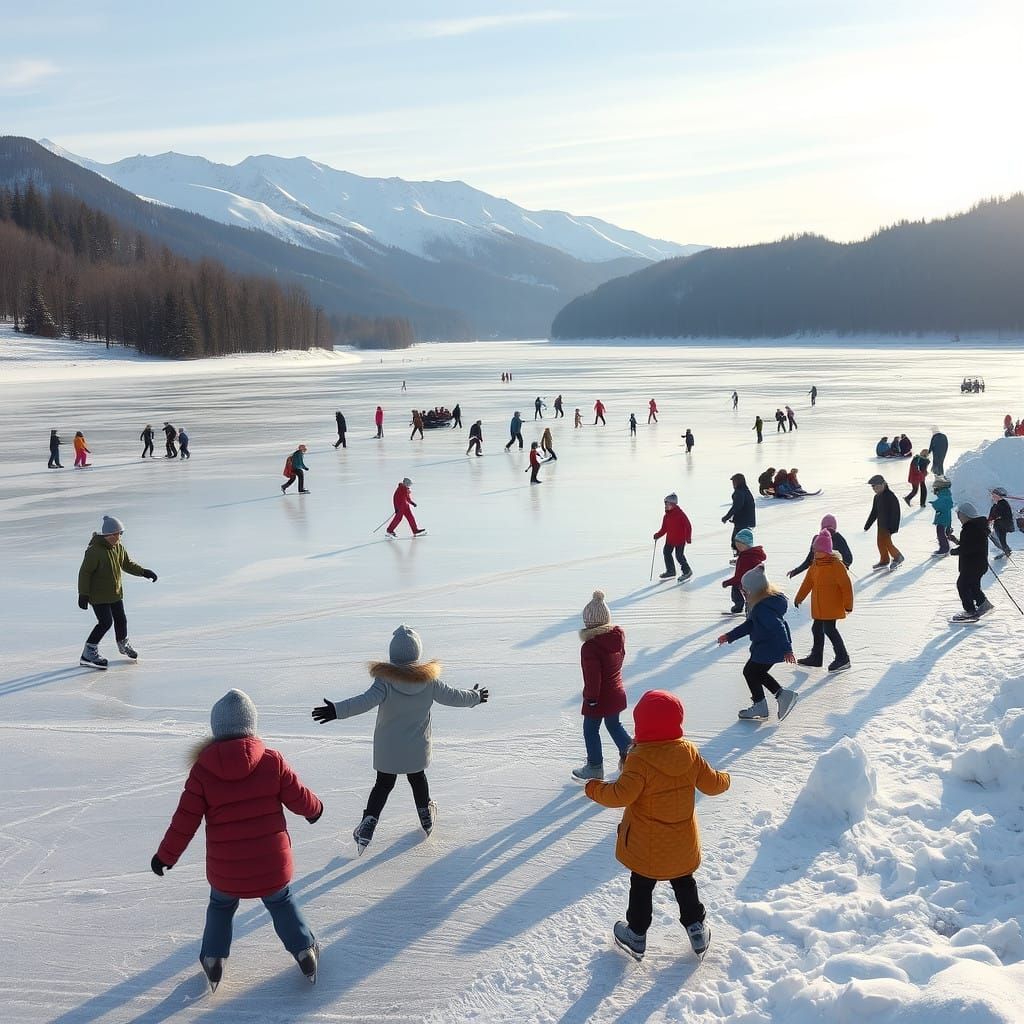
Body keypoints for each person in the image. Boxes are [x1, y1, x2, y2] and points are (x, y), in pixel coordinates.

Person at [152, 689, 323, 990]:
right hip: (272, 865)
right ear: (251, 727)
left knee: (221, 907)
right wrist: (314, 809)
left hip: (227, 870)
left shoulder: (203, 771)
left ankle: (214, 960)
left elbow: (184, 821)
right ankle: (304, 950)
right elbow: (298, 796)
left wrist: (165, 856)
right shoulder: (272, 762)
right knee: (281, 902)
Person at [311, 626, 487, 851]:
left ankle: (368, 823)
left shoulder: (385, 682)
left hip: (388, 750)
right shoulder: (430, 681)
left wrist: (337, 710)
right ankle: (426, 816)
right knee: (417, 779)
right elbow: (454, 696)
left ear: (393, 654)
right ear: (417, 653)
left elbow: (364, 701)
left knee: (383, 784)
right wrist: (475, 697)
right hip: (416, 749)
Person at [583, 689, 729, 962]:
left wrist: (593, 788)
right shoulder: (689, 752)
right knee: (684, 882)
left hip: (646, 845)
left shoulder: (639, 758)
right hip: (681, 842)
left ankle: (636, 934)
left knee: (641, 885)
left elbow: (620, 795)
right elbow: (712, 783)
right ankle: (696, 928)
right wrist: (726, 779)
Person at [716, 564, 798, 720]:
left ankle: (766, 703)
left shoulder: (762, 609)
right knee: (756, 672)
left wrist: (787, 649)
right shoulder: (762, 603)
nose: (743, 594)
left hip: (770, 647)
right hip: (767, 646)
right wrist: (730, 636)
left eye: (745, 591)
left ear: (754, 592)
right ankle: (779, 697)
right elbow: (750, 625)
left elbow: (778, 627)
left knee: (751, 672)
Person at [77, 514, 157, 669]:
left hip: (115, 593)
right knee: (105, 622)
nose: (120, 536)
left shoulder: (118, 547)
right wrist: (83, 594)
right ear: (110, 535)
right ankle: (88, 652)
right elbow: (84, 573)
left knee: (121, 619)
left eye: (121, 533)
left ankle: (123, 644)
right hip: (98, 595)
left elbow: (127, 564)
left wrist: (144, 572)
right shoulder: (95, 551)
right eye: (119, 534)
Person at [571, 590, 631, 781]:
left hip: (600, 697)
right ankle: (634, 759)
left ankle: (595, 767)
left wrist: (591, 699)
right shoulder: (617, 637)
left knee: (590, 729)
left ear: (588, 622)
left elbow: (593, 677)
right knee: (614, 724)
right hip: (617, 692)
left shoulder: (590, 647)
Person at [793, 530, 853, 671]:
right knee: (817, 628)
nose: (814, 552)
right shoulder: (816, 565)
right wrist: (799, 597)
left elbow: (846, 586)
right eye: (814, 550)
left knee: (829, 629)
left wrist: (848, 605)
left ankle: (843, 658)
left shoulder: (836, 565)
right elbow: (807, 583)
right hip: (819, 607)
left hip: (831, 606)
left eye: (817, 550)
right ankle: (816, 657)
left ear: (825, 551)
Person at [950, 503, 994, 621]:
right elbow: (969, 544)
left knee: (963, 585)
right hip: (978, 564)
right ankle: (984, 605)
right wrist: (955, 540)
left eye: (959, 514)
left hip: (973, 565)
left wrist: (955, 551)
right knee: (973, 586)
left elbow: (969, 548)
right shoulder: (976, 527)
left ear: (965, 515)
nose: (958, 517)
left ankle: (970, 611)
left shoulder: (971, 529)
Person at [788, 514, 853, 576]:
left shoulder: (817, 539)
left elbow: (809, 560)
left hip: (819, 575)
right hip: (835, 577)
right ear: (834, 526)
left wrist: (796, 571)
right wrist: (842, 567)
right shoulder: (838, 538)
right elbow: (849, 559)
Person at [864, 474, 903, 570]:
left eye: (876, 487)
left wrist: (893, 527)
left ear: (883, 485)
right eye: (873, 487)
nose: (874, 489)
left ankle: (898, 556)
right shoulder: (877, 497)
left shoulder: (890, 496)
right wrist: (867, 525)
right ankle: (884, 560)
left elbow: (896, 512)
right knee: (880, 543)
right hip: (880, 525)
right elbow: (874, 512)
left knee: (887, 542)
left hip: (888, 525)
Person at [721, 528, 765, 613]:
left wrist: (728, 582)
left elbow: (740, 576)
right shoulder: (750, 553)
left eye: (740, 544)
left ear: (747, 544)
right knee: (740, 589)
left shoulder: (746, 557)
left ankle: (741, 606)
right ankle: (744, 606)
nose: (737, 546)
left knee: (737, 587)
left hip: (749, 583)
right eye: (737, 543)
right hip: (753, 581)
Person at [653, 493, 693, 582]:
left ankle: (687, 571)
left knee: (679, 556)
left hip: (680, 540)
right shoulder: (666, 516)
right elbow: (664, 529)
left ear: (673, 505)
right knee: (666, 552)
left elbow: (688, 526)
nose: (666, 506)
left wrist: (688, 538)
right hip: (670, 539)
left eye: (667, 504)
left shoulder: (680, 515)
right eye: (665, 504)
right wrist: (658, 535)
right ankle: (671, 571)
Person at [722, 472, 756, 554]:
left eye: (734, 481)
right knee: (742, 540)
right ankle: (742, 557)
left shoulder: (740, 492)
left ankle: (742, 558)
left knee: (738, 541)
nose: (733, 483)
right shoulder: (746, 490)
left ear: (738, 481)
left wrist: (726, 517)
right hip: (747, 520)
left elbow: (737, 506)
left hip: (742, 521)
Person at [929, 476, 955, 556]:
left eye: (935, 488)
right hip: (943, 517)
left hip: (944, 519)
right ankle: (944, 548)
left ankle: (944, 549)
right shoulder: (944, 494)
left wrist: (935, 504)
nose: (935, 491)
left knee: (941, 533)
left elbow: (944, 504)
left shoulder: (945, 496)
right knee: (941, 533)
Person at [988, 487, 1014, 559]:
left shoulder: (1002, 504)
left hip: (1002, 525)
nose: (992, 497)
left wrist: (992, 519)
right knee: (998, 538)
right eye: (992, 495)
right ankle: (1005, 550)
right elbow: (993, 514)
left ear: (998, 496)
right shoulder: (998, 504)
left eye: (994, 495)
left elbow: (998, 514)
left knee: (1000, 538)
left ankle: (1006, 550)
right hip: (1000, 524)